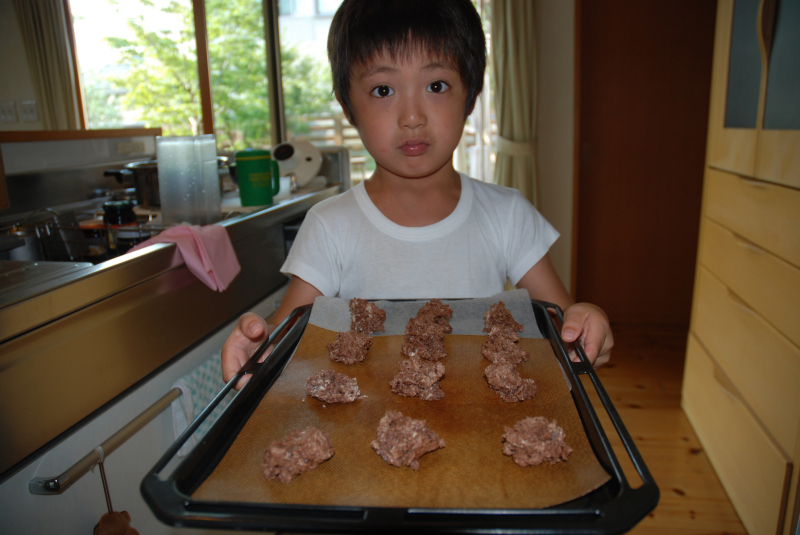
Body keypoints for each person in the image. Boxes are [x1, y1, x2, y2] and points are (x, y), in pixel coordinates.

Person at [222, 0, 612, 389]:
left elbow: (563, 322)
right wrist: (258, 348)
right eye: (383, 89)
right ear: (347, 107)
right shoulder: (329, 226)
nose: (412, 117)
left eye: (436, 86)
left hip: (479, 429)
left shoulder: (508, 215)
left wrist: (586, 322)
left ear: (470, 96)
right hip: (360, 429)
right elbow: (286, 335)